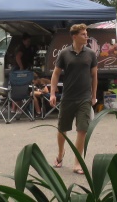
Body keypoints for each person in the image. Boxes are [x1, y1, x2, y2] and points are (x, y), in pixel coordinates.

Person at [49, 23, 98, 174]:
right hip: (68, 97)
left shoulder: (90, 54)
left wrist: (94, 96)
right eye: (83, 34)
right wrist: (52, 93)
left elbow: (94, 75)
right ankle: (60, 153)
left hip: (84, 97)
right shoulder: (64, 54)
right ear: (74, 36)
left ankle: (77, 162)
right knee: (62, 129)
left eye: (86, 34)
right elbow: (56, 74)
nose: (86, 36)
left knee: (82, 129)